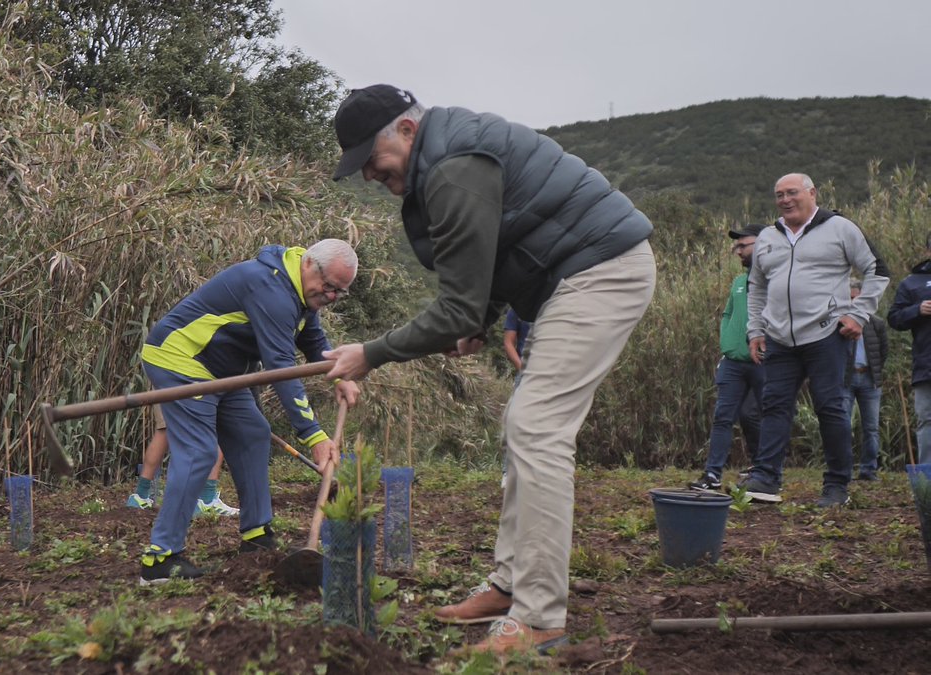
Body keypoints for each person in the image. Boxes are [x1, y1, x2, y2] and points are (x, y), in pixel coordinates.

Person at [324, 85, 656, 656]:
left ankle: (540, 620)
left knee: (537, 429)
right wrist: (481, 318)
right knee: (523, 428)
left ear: (406, 131)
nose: (370, 177)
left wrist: (371, 352)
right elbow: (502, 251)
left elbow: (455, 303)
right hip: (566, 276)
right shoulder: (448, 152)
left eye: (372, 163)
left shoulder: (452, 169)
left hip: (600, 270)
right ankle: (510, 584)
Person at [138, 240, 361, 584]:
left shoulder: (301, 293)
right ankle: (160, 559)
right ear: (308, 266)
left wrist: (339, 377)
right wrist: (315, 436)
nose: (331, 296)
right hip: (181, 358)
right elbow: (281, 369)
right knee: (199, 452)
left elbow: (315, 343)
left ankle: (256, 535)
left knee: (252, 434)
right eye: (329, 287)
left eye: (339, 292)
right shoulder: (270, 289)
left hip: (223, 370)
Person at [742, 173, 888, 507]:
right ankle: (765, 479)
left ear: (812, 193)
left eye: (792, 192)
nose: (785, 199)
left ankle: (837, 486)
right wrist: (755, 330)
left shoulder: (840, 228)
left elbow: (877, 269)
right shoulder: (767, 236)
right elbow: (757, 287)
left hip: (825, 335)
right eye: (779, 194)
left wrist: (859, 314)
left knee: (830, 408)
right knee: (774, 406)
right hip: (778, 338)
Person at [689, 224, 770, 491]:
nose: (738, 251)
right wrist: (727, 344)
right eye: (737, 247)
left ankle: (765, 472)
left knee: (761, 416)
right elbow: (727, 314)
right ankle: (712, 475)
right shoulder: (738, 282)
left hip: (763, 362)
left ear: (762, 245)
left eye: (743, 246)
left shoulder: (775, 278)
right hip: (733, 363)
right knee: (723, 417)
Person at [126, 404, 239, 517]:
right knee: (216, 426)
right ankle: (207, 499)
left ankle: (140, 496)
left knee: (164, 430)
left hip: (163, 387)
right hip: (194, 389)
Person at [887, 233, 931, 465]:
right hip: (926, 365)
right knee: (927, 421)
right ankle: (927, 483)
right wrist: (917, 310)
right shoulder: (912, 282)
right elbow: (894, 318)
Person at [842, 280, 889, 480]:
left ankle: (868, 469)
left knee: (871, 427)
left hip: (869, 379)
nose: (853, 302)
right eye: (849, 298)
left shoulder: (876, 323)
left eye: (856, 298)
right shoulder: (840, 323)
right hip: (846, 379)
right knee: (842, 424)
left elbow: (883, 352)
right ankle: (843, 470)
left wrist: (875, 372)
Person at [499, 309, 532, 488]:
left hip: (553, 373)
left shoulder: (555, 302)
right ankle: (508, 472)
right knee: (514, 420)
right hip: (526, 372)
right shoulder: (516, 310)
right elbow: (509, 342)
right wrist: (522, 368)